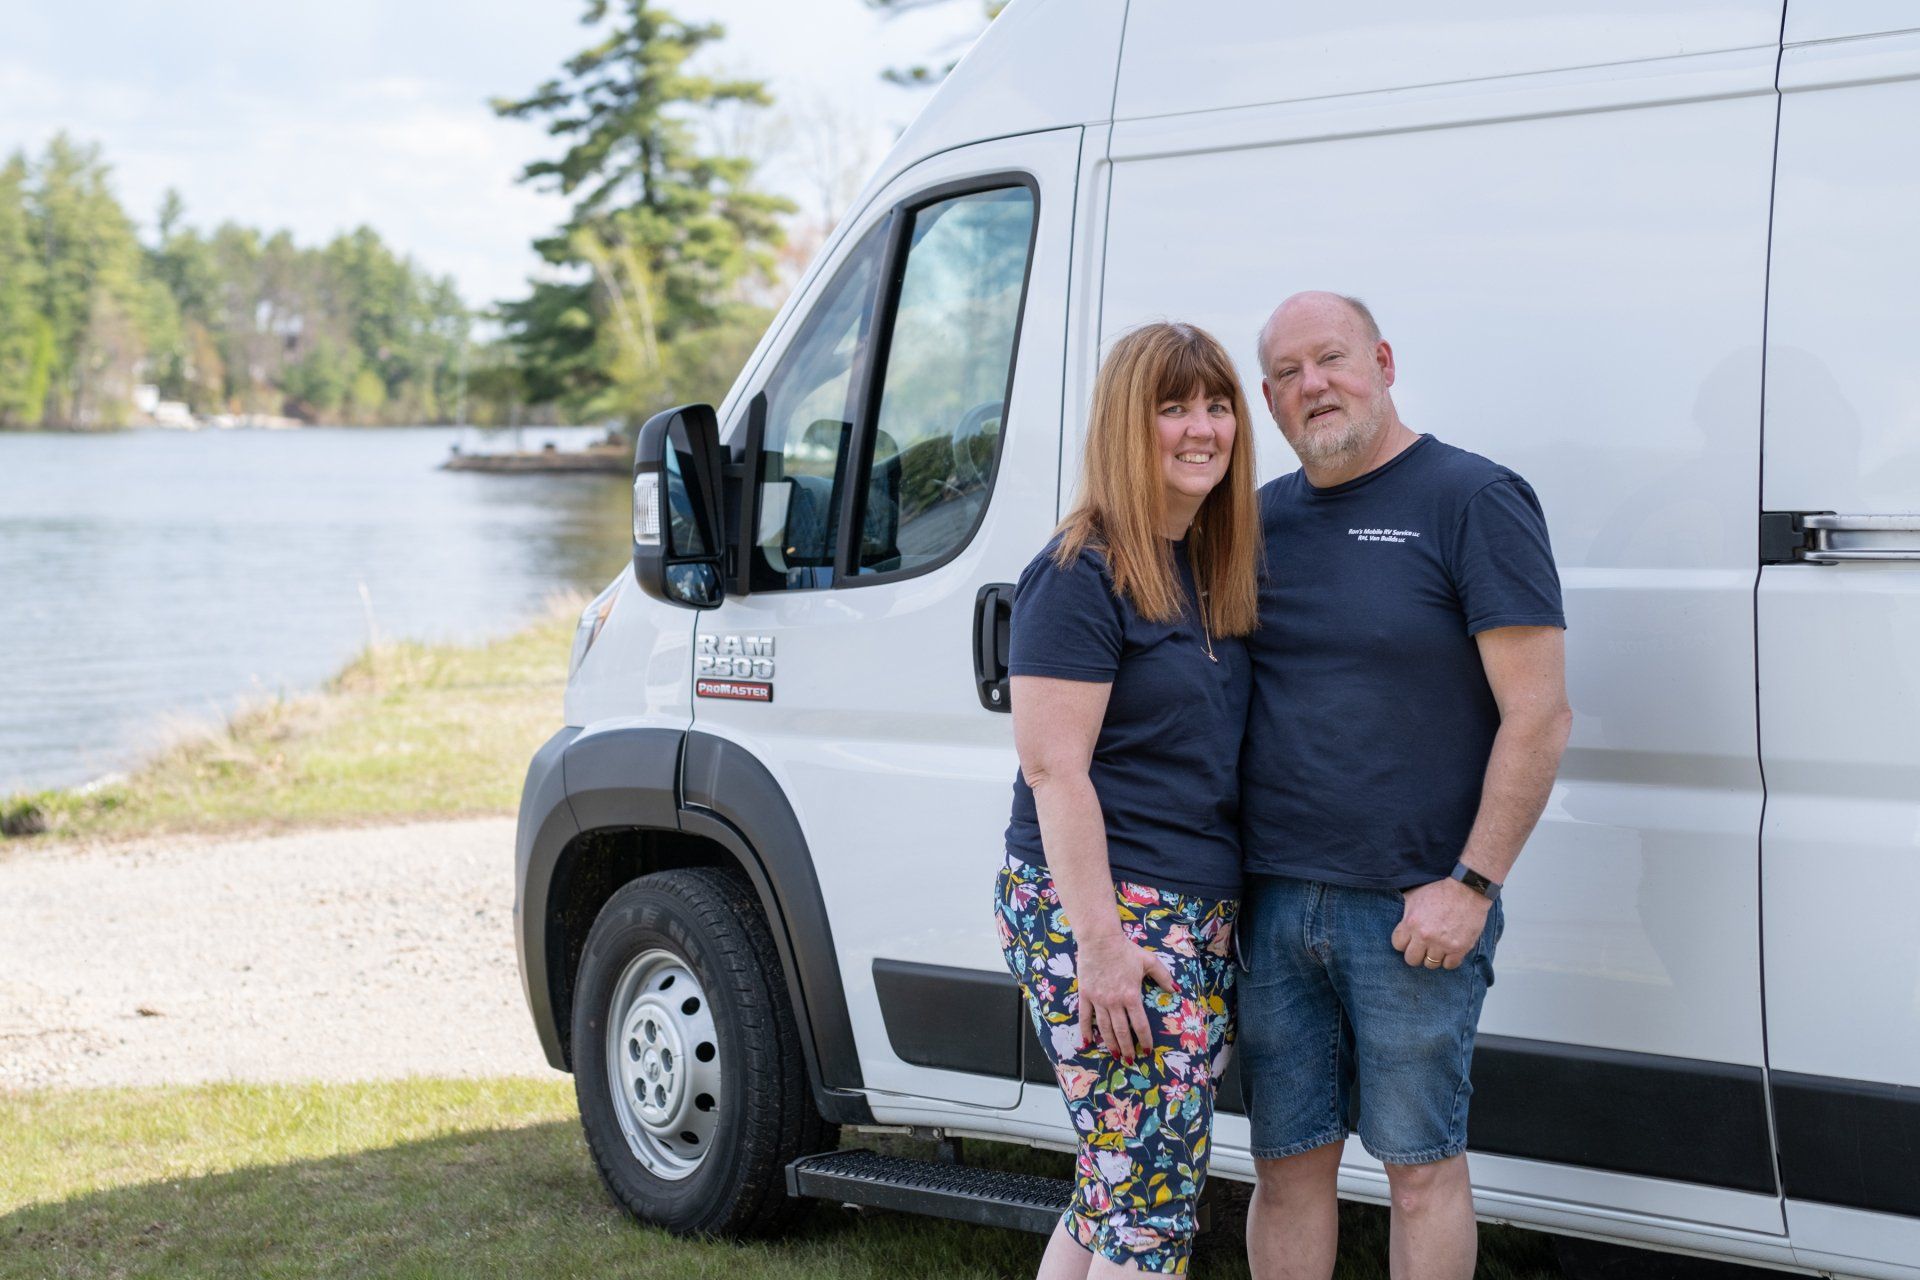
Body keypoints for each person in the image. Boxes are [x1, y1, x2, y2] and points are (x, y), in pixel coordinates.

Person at [1236, 292, 1572, 1280]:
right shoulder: (1258, 522)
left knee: (1419, 1174)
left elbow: (1540, 714)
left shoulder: (1472, 498)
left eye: (1332, 358)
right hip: (1273, 905)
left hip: (1412, 910)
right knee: (1285, 1171)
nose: (1314, 385)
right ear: (1268, 397)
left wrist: (1471, 883)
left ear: (1382, 359)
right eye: (1289, 374)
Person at [994, 321, 1262, 1277]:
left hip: (1186, 910)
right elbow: (1053, 769)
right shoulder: (1080, 573)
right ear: (1124, 424)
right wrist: (1101, 947)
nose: (1203, 428)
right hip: (1116, 918)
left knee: (1119, 1186)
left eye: (1218, 404)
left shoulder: (1203, 563)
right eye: (1173, 406)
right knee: (1149, 1212)